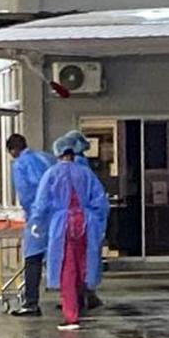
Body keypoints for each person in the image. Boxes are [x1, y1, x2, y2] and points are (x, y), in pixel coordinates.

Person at [31, 136, 110, 331]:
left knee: (67, 269)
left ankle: (70, 315)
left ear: (57, 154)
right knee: (84, 265)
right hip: (86, 224)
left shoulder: (51, 173)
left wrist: (36, 224)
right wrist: (99, 226)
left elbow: (41, 204)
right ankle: (81, 302)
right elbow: (101, 202)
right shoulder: (86, 173)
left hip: (62, 226)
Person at [7, 134, 55, 317]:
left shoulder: (20, 164)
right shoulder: (47, 158)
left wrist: (31, 213)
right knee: (65, 256)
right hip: (57, 214)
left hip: (38, 216)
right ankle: (79, 297)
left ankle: (31, 302)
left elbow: (26, 194)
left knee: (33, 258)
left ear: (13, 150)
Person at [64, 129, 106, 310]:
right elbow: (99, 200)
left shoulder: (63, 170)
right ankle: (85, 293)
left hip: (69, 223)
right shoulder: (86, 169)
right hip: (88, 222)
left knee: (71, 262)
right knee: (86, 259)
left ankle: (75, 297)